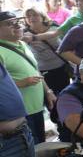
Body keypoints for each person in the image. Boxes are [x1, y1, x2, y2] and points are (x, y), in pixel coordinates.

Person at [0, 11, 55, 144]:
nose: (17, 26)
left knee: (41, 144)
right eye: (10, 24)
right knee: (30, 149)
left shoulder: (22, 44)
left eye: (18, 22)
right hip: (19, 114)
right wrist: (21, 83)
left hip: (37, 106)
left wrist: (48, 91)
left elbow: (35, 70)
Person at [23, 7, 71, 95]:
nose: (31, 18)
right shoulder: (24, 34)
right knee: (50, 96)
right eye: (28, 16)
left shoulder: (53, 27)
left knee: (65, 93)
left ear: (42, 16)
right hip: (43, 70)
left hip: (61, 66)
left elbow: (67, 43)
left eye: (35, 15)